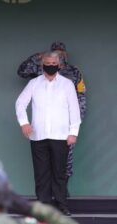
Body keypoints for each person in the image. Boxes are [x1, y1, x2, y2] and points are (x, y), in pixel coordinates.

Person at [15, 51, 80, 215]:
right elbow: (20, 103)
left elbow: (74, 109)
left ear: (59, 65)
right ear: (42, 64)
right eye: (47, 63)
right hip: (38, 136)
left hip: (61, 136)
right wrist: (24, 123)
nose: (50, 66)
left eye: (53, 64)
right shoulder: (34, 83)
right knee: (41, 173)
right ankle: (42, 206)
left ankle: (61, 205)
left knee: (59, 172)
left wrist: (73, 132)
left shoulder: (67, 84)